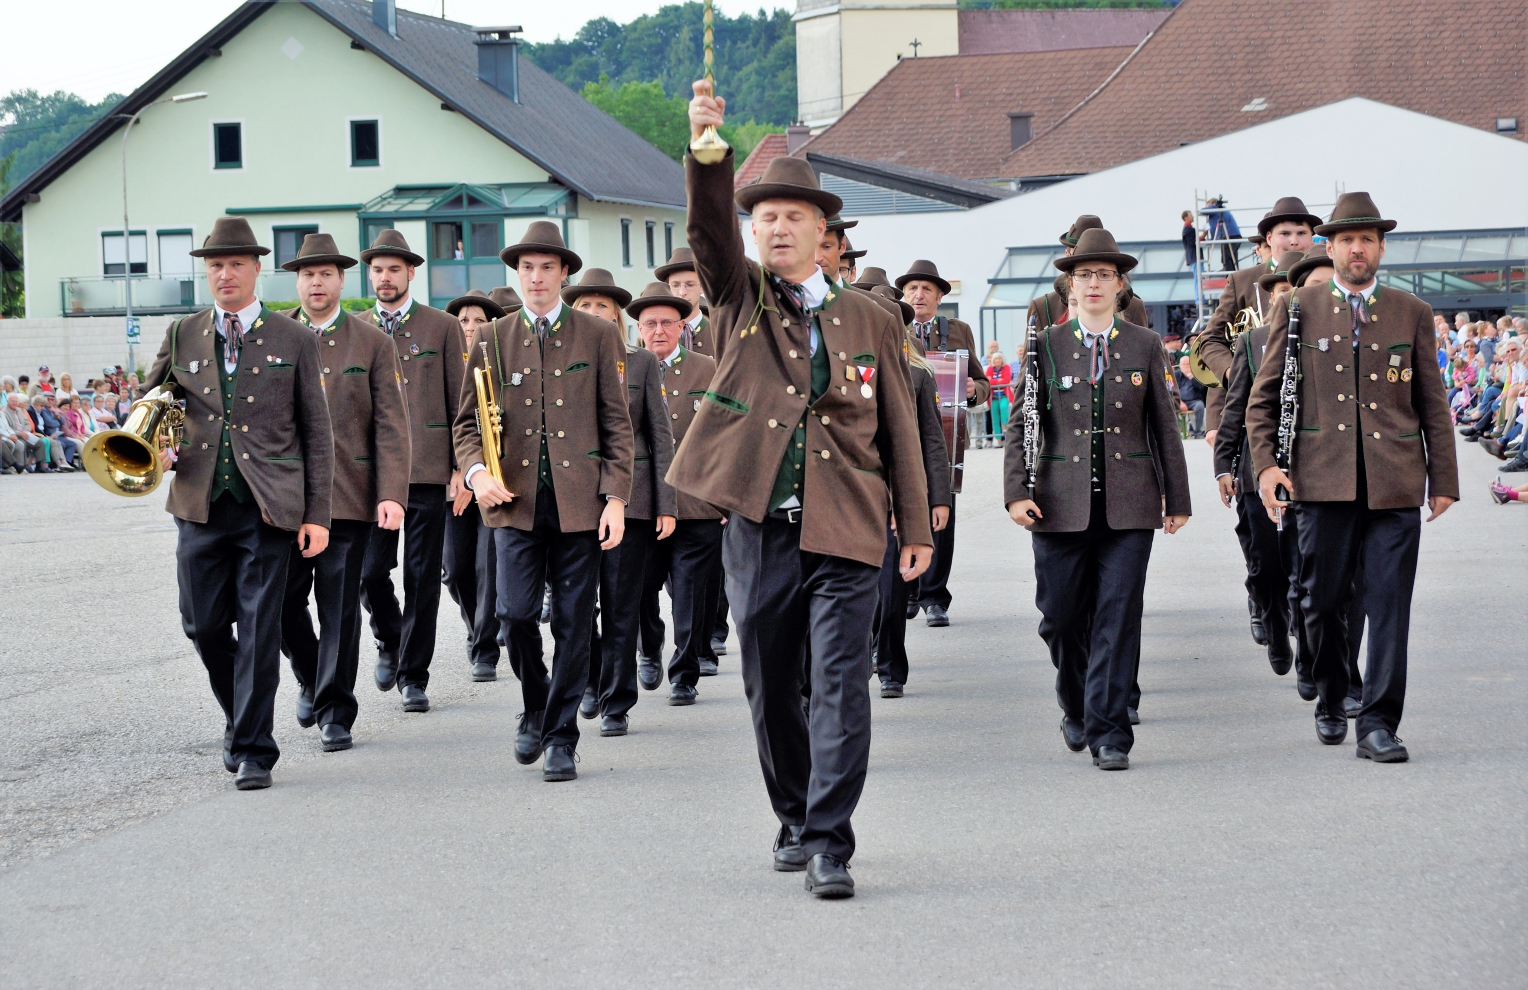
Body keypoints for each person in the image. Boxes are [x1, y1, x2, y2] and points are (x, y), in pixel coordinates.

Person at [678, 80, 933, 897]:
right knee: (768, 683)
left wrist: (919, 521)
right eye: (766, 219)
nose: (777, 228)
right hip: (759, 524)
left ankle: (830, 841)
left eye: (794, 217)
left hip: (848, 526)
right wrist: (709, 151)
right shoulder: (739, 297)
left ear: (825, 233)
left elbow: (898, 419)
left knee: (838, 684)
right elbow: (708, 236)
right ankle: (793, 810)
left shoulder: (868, 316)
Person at [1247, 192, 1458, 763]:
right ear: (1330, 247)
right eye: (1346, 239)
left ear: (1381, 247)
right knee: (1322, 602)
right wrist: (1266, 465)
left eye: (1367, 239)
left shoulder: (1408, 311)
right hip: (1321, 483)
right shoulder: (1298, 309)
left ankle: (1379, 724)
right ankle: (1331, 695)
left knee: (1389, 605)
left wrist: (1444, 478)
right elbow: (1263, 401)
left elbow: (1431, 402)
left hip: (1394, 483)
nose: (1356, 249)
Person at [139, 216, 333, 789]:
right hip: (199, 500)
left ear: (256, 270)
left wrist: (318, 514)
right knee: (200, 625)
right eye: (215, 266)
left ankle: (253, 747)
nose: (225, 274)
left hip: (268, 507)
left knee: (258, 626)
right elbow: (153, 399)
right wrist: (155, 440)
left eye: (235, 265)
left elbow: (318, 434)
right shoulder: (183, 332)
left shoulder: (293, 337)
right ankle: (238, 714)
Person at [1003, 226, 1191, 772]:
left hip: (1130, 504)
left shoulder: (1144, 345)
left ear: (1119, 286)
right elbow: (1022, 423)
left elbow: (1163, 426)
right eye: (1083, 275)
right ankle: (1076, 700)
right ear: (1069, 286)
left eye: (1103, 275)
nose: (1093, 284)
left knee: (1117, 615)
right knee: (1060, 618)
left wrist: (1176, 497)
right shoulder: (1047, 346)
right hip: (1058, 504)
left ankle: (1109, 731)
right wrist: (1017, 491)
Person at [454, 220, 634, 783]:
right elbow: (466, 426)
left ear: (563, 274)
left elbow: (617, 425)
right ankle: (536, 706)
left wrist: (616, 497)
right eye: (526, 268)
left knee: (576, 624)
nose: (536, 277)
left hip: (581, 505)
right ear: (517, 274)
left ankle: (561, 737)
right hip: (514, 504)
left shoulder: (598, 336)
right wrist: (477, 472)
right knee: (515, 616)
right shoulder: (491, 337)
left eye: (546, 268)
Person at [276, 233, 411, 753]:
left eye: (326, 273)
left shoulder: (372, 342)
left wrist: (392, 492)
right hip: (284, 500)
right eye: (308, 274)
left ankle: (335, 709)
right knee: (283, 601)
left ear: (341, 280)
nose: (316, 282)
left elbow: (391, 426)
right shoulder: (275, 335)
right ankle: (310, 673)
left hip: (350, 497)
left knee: (339, 607)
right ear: (297, 281)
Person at [357, 229, 467, 715]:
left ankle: (414, 676)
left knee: (423, 577)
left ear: (410, 273)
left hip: (427, 471)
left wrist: (464, 466)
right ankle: (390, 638)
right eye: (377, 270)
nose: (385, 278)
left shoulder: (442, 327)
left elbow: (462, 402)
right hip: (369, 476)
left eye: (393, 270)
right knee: (367, 571)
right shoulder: (355, 328)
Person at [562, 271, 675, 736]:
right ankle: (588, 680)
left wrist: (665, 503)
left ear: (616, 317)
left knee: (621, 602)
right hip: (572, 502)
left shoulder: (641, 362)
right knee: (576, 604)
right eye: (585, 307)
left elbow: (660, 436)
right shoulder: (558, 363)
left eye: (603, 308)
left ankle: (616, 700)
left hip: (630, 502)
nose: (594, 316)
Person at [625, 281, 722, 709]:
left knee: (690, 592)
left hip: (698, 502)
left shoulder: (709, 369)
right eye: (650, 324)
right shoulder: (622, 369)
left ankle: (684, 673)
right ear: (638, 329)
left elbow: (728, 436)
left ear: (683, 326)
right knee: (642, 586)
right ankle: (650, 648)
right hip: (644, 502)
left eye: (668, 322)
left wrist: (726, 499)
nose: (659, 331)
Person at [866, 283, 951, 697]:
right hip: (854, 496)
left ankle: (890, 667)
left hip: (899, 496)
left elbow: (932, 442)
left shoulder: (918, 375)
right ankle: (860, 652)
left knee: (892, 588)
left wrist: (938, 497)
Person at [899, 259, 991, 628]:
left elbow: (981, 383)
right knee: (903, 513)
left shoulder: (958, 330)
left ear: (939, 297)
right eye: (911, 290)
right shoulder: (893, 325)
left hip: (947, 440)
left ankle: (935, 597)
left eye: (926, 290)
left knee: (941, 517)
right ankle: (905, 591)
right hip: (903, 437)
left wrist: (973, 390)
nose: (918, 295)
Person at [1197, 197, 1321, 440]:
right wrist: (1235, 373)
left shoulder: (1326, 277)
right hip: (1253, 408)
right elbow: (1212, 340)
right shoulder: (1242, 281)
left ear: (1311, 237)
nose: (1294, 240)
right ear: (1269, 239)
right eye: (1284, 233)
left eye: (1301, 233)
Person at [442, 288, 510, 682]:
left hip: (495, 481)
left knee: (488, 566)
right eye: (464, 320)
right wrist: (461, 470)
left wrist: (484, 473)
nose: (470, 327)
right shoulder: (448, 363)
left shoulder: (498, 361)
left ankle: (484, 648)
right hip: (455, 481)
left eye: (478, 320)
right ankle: (477, 626)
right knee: (454, 568)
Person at [655, 247, 714, 359]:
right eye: (675, 285)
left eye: (690, 285)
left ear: (702, 287)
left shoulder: (719, 335)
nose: (682, 292)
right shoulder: (656, 337)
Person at [1174, 355, 1207, 437]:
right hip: (1179, 400)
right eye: (1183, 364)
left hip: (1194, 400)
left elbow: (1201, 387)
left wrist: (1190, 375)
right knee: (1171, 406)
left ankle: (1197, 431)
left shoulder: (1197, 374)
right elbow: (1172, 390)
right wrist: (1180, 402)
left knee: (1199, 406)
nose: (1186, 366)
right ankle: (1176, 432)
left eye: (1188, 364)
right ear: (1179, 365)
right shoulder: (1176, 375)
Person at [987, 352, 1013, 447]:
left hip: (1004, 396)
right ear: (993, 360)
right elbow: (988, 381)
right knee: (995, 418)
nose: (998, 360)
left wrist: (994, 381)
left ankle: (1005, 429)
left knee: (1003, 409)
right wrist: (999, 381)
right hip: (993, 397)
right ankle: (998, 441)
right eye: (996, 359)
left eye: (999, 358)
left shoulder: (1006, 367)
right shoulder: (990, 369)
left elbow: (1006, 380)